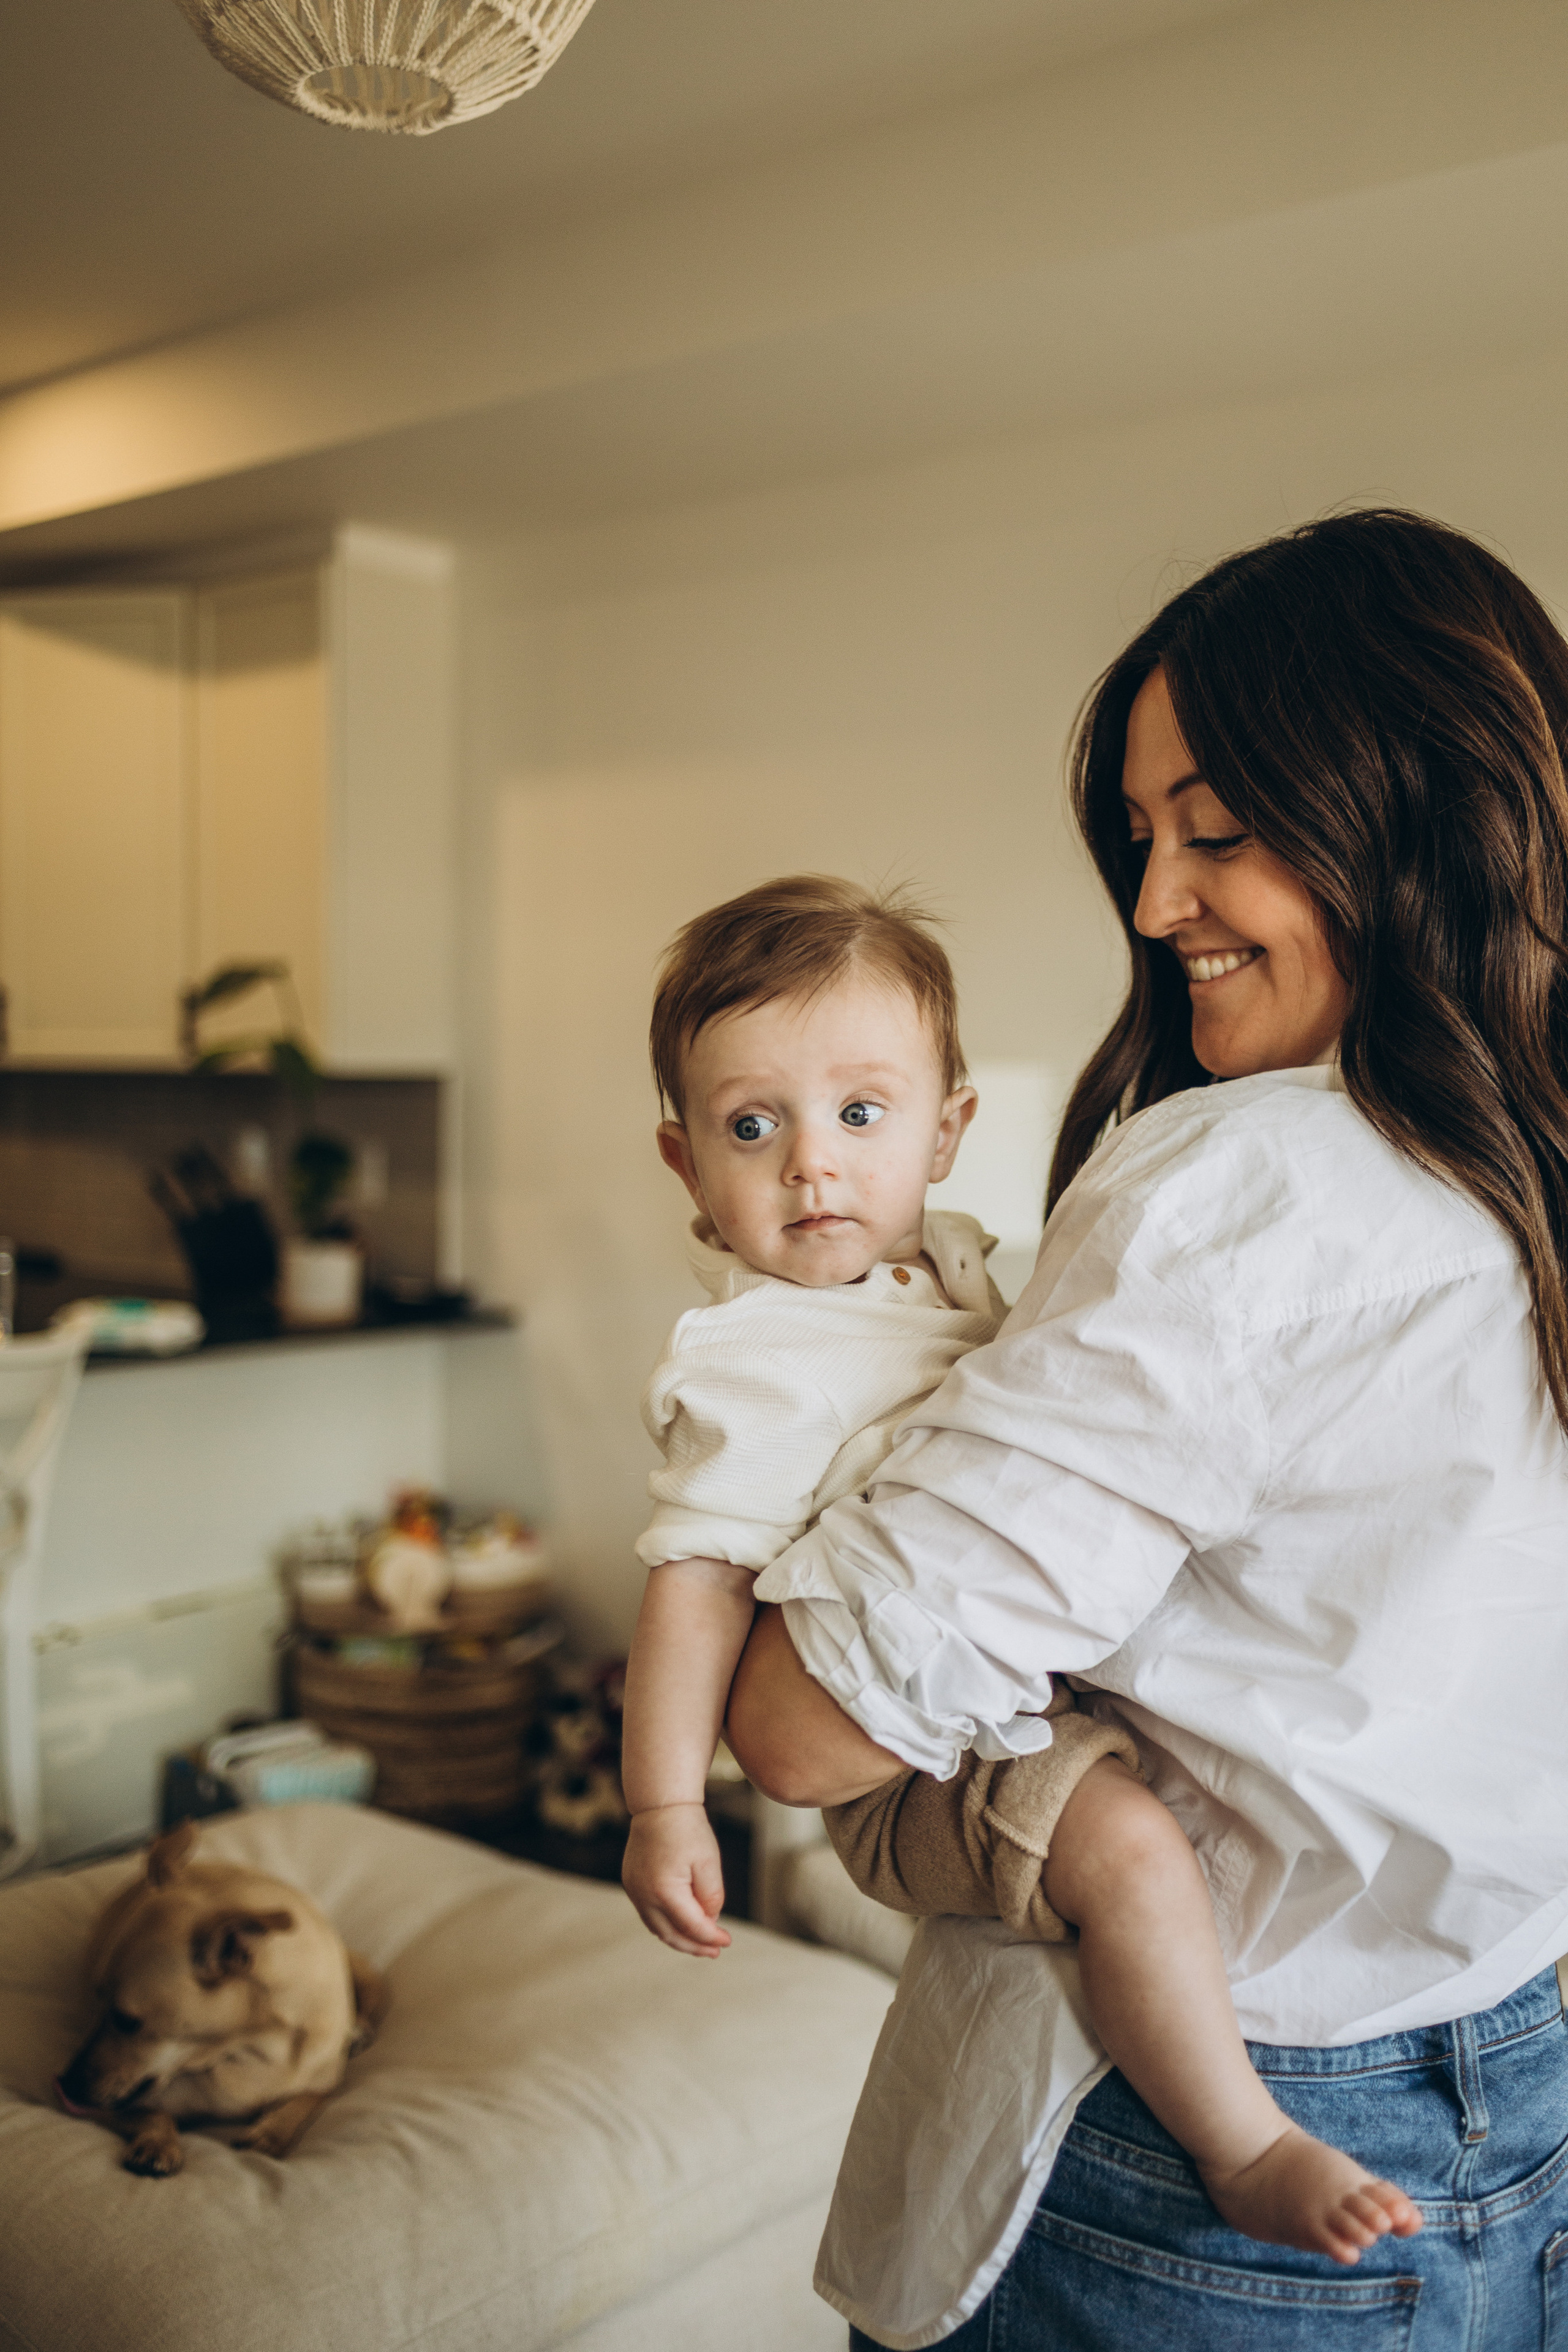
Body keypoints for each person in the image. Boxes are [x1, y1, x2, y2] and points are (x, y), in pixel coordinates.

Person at [725, 510, 1568, 2350]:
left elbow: (804, 1730)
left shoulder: (1244, 1187)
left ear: (1405, 808)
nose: (1154, 900)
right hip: (1519, 2075)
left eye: (1221, 828)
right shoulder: (1527, 1174)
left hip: (1208, 2135)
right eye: (1144, 835)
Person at [619, 873, 1419, 2267]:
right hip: (904, 1766)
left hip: (989, 1702)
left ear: (948, 1132)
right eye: (753, 1126)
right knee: (1132, 1854)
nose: (812, 1162)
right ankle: (1243, 2145)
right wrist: (663, 1805)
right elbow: (692, 1583)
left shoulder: (957, 1270)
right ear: (686, 1164)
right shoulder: (753, 1366)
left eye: (859, 1115)